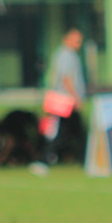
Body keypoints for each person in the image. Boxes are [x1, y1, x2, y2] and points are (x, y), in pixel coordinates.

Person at [42, 28, 87, 165]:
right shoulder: (65, 55)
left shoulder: (70, 55)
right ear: (67, 39)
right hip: (65, 102)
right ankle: (44, 159)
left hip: (67, 102)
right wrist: (76, 98)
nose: (78, 44)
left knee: (76, 132)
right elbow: (66, 78)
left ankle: (86, 159)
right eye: (76, 41)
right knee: (61, 132)